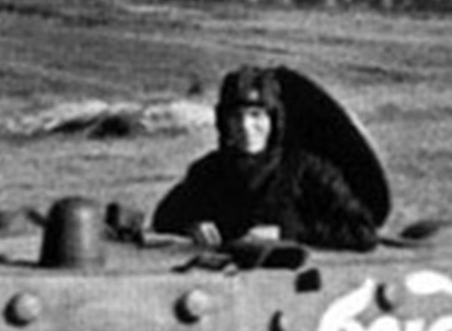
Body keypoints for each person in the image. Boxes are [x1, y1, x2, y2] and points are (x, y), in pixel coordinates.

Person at [151, 66, 380, 252]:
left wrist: (288, 232)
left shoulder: (307, 169)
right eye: (236, 117)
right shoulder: (208, 171)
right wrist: (192, 226)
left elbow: (363, 232)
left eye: (256, 115)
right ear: (224, 122)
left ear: (274, 120)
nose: (246, 126)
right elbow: (163, 219)